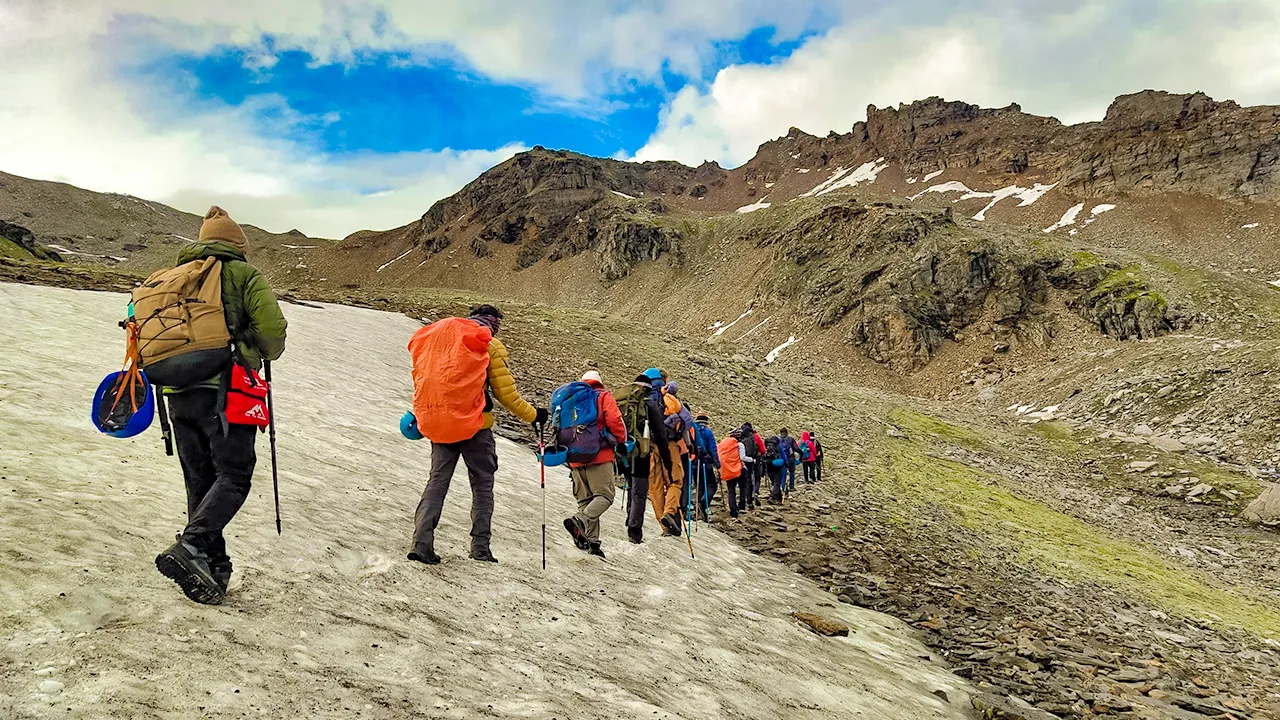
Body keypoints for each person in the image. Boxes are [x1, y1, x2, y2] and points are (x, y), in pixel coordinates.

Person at [154, 206, 288, 605]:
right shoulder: (243, 274)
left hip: (176, 392)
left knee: (200, 479)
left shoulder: (175, 277)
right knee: (234, 474)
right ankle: (191, 547)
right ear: (236, 244)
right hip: (225, 390)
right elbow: (272, 331)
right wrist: (256, 347)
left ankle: (214, 569)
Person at [408, 305, 547, 565]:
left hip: (440, 425)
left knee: (437, 482)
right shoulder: (488, 344)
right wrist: (534, 415)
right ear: (493, 324)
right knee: (482, 485)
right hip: (475, 427)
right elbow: (507, 395)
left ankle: (421, 543)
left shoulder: (441, 342)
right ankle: (480, 548)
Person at [563, 371, 627, 558]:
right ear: (599, 382)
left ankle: (592, 542)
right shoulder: (602, 396)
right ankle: (580, 520)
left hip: (575, 458)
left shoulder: (569, 398)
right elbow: (614, 420)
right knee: (605, 496)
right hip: (599, 455)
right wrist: (621, 440)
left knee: (586, 501)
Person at [615, 369, 672, 544]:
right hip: (641, 453)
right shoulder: (649, 404)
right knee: (639, 492)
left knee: (630, 485)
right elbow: (661, 435)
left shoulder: (622, 400)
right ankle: (634, 531)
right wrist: (667, 460)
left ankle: (630, 519)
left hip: (622, 451)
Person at [655, 377, 690, 536]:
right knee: (675, 482)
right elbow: (685, 426)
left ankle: (665, 528)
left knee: (655, 488)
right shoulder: (674, 403)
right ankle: (669, 513)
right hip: (670, 445)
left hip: (649, 447)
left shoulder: (647, 399)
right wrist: (690, 446)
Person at [717, 430, 754, 519]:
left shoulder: (723, 445)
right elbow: (742, 457)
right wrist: (752, 460)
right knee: (742, 487)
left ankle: (733, 510)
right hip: (739, 469)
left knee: (731, 491)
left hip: (728, 470)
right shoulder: (739, 445)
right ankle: (742, 505)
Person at [692, 413, 721, 521]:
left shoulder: (692, 429)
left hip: (694, 462)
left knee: (699, 486)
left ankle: (698, 510)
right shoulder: (708, 432)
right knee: (711, 485)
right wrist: (717, 464)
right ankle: (703, 504)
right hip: (706, 462)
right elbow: (713, 449)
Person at [738, 422, 764, 511]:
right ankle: (753, 493)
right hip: (753, 460)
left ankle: (743, 499)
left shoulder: (740, 437)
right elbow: (763, 450)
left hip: (740, 462)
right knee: (755, 478)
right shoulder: (755, 436)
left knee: (744, 480)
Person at [765, 434, 785, 504]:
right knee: (777, 482)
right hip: (777, 465)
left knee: (774, 482)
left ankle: (779, 497)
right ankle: (773, 497)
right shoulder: (778, 446)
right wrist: (787, 464)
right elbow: (783, 456)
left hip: (768, 466)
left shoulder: (767, 446)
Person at [778, 428, 799, 494]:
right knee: (792, 472)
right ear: (787, 433)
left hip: (782, 459)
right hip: (790, 458)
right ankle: (791, 486)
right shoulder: (791, 439)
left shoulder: (778, 440)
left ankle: (782, 487)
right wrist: (801, 453)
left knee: (783, 474)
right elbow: (796, 448)